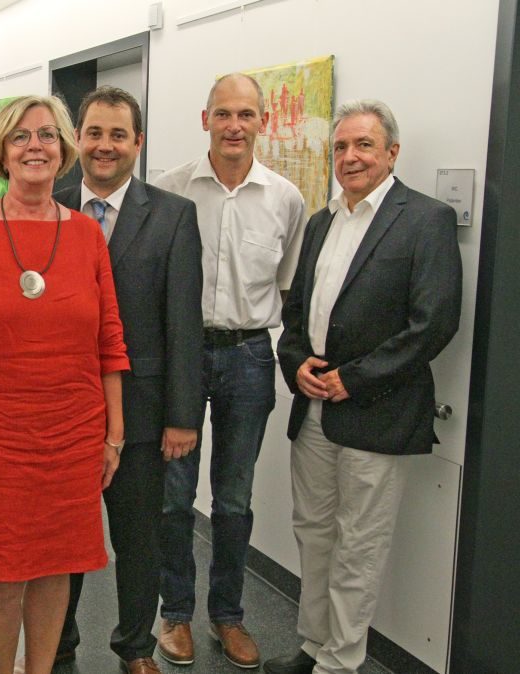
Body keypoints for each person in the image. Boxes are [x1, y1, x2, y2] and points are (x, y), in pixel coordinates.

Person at [0, 94, 130, 674]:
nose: (35, 146)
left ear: (62, 150)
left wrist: (114, 433)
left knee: (58, 568)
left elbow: (109, 338)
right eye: (21, 136)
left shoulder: (87, 236)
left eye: (46, 136)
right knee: (4, 574)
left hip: (73, 434)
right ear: (2, 152)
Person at [268, 100, 462, 674]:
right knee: (314, 533)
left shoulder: (424, 220)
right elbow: (297, 310)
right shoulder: (323, 221)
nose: (350, 158)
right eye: (341, 148)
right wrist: (297, 361)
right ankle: (313, 644)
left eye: (364, 146)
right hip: (315, 410)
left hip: (375, 410)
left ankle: (340, 661)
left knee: (359, 544)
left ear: (392, 153)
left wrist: (353, 380)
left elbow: (434, 323)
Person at [153, 73, 305, 669]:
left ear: (261, 121)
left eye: (245, 114)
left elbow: (289, 288)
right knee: (174, 495)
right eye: (223, 114)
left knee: (235, 499)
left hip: (248, 355)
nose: (234, 125)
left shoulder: (286, 200)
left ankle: (228, 616)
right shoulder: (170, 191)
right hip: (181, 354)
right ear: (205, 119)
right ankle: (175, 614)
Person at [51, 86, 202, 674]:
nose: (105, 146)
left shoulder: (172, 215)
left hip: (141, 413)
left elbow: (184, 321)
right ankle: (57, 644)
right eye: (94, 133)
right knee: (64, 541)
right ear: (77, 140)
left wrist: (183, 416)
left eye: (118, 134)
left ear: (138, 142)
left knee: (139, 540)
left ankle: (135, 646)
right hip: (62, 410)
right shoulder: (49, 203)